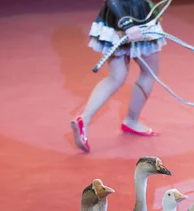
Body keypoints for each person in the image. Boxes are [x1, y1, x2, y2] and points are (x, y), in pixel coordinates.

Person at [71, 0, 166, 153]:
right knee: (149, 72)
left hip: (121, 17)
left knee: (116, 77)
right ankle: (131, 121)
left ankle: (85, 119)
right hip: (129, 17)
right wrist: (127, 23)